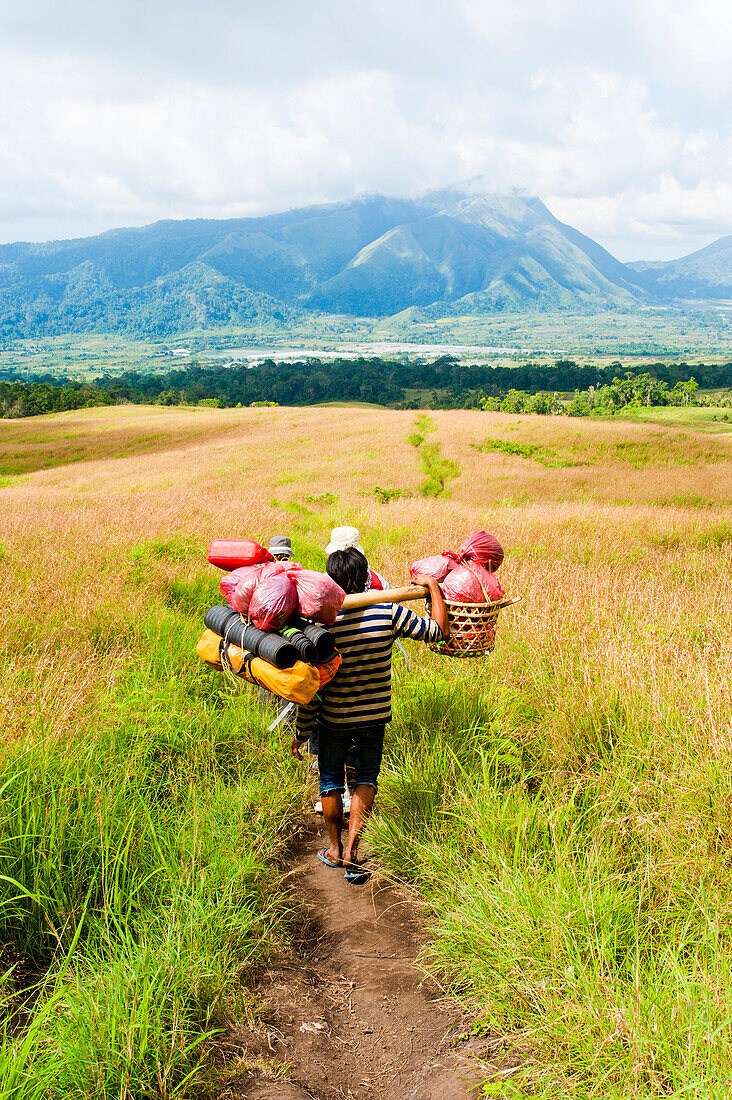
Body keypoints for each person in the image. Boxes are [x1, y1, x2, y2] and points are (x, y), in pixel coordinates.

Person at [291, 547, 450, 883]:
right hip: (374, 716)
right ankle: (353, 850)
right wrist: (433, 588)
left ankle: (334, 850)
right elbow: (438, 632)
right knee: (366, 778)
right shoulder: (388, 611)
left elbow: (311, 688)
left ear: (331, 581)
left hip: (333, 718)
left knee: (330, 780)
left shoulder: (321, 625)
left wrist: (302, 731)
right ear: (366, 577)